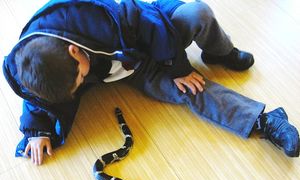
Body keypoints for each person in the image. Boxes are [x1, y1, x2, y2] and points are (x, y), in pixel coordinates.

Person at [3, 0, 299, 165]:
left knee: (198, 13)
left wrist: (177, 67)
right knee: (190, 92)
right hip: (131, 70)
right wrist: (37, 131)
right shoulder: (27, 63)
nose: (80, 84)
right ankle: (264, 121)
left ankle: (220, 52)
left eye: (79, 77)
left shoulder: (94, 15)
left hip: (148, 36)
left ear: (74, 51)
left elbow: (149, 24)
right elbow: (37, 98)